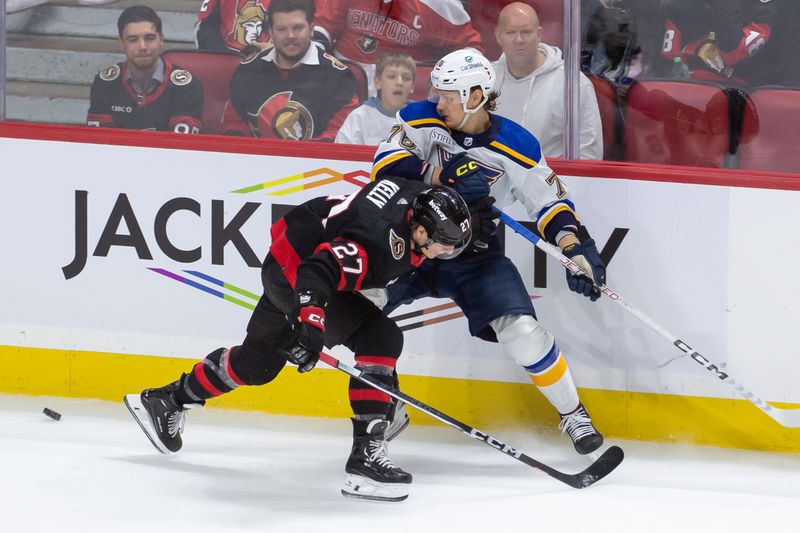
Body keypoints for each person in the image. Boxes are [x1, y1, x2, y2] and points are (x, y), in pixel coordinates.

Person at [124, 178, 479, 503]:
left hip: (291, 256)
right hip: (298, 275)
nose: (443, 254)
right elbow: (319, 269)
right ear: (418, 230)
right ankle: (365, 458)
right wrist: (311, 324)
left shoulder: (413, 196)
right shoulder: (377, 244)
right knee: (380, 337)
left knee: (257, 364)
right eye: (443, 246)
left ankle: (167, 399)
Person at [371, 48, 607, 458]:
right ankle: (384, 405)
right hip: (412, 246)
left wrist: (573, 248)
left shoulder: (517, 143)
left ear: (477, 96)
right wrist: (443, 174)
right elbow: (385, 168)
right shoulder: (417, 118)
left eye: (449, 95)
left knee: (523, 334)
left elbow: (550, 205)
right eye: (437, 93)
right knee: (362, 306)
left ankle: (573, 413)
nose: (438, 102)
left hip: (476, 255)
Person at [221, 0, 359, 140]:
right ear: (271, 32)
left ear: (311, 29)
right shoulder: (247, 70)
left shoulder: (338, 76)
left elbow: (338, 136)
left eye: (298, 28)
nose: (290, 36)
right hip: (256, 159)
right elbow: (234, 128)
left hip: (317, 160)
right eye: (282, 29)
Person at [492, 2, 602, 160]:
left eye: (526, 32)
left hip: (553, 182)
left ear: (539, 34)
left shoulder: (574, 85)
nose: (519, 40)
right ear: (498, 36)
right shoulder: (484, 81)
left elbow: (589, 156)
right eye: (510, 33)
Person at [313, 0, 484, 96]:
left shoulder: (437, 4)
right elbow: (322, 26)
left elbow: (471, 47)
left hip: (403, 93)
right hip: (342, 84)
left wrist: (451, 83)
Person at [87, 6, 204, 133]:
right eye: (133, 40)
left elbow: (180, 147)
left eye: (149, 38)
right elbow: (100, 143)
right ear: (121, 43)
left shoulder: (186, 87)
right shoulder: (105, 83)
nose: (142, 46)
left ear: (161, 39)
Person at [658, 0, 800, 87]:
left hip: (747, 95)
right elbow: (669, 60)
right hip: (693, 93)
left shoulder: (772, 5)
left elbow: (734, 52)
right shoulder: (681, 5)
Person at [335, 51, 416, 145]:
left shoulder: (421, 118)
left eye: (406, 78)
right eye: (391, 76)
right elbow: (343, 154)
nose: (399, 82)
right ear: (378, 82)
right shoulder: (360, 117)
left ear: (412, 87)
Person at [195, 0, 272, 54]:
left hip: (270, 65)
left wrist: (275, 52)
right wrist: (224, 57)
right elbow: (204, 28)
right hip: (228, 61)